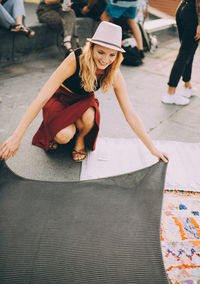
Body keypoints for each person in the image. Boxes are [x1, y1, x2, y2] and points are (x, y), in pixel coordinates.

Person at [0, 21, 168, 163]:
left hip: (84, 104)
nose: (105, 59)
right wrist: (16, 136)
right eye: (101, 52)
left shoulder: (113, 70)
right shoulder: (75, 59)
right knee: (64, 136)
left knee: (89, 115)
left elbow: (129, 113)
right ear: (92, 47)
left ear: (117, 55)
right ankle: (64, 129)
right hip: (60, 100)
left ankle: (80, 139)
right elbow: (41, 98)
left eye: (112, 55)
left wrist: (152, 149)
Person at [162, 0, 200, 106]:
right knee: (185, 54)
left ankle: (187, 86)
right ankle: (170, 93)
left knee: (188, 52)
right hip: (194, 14)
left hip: (183, 8)